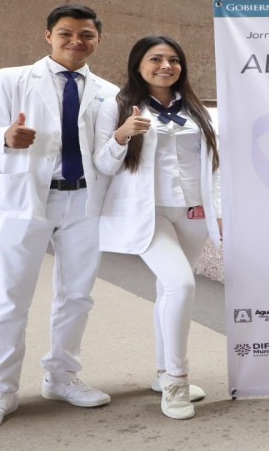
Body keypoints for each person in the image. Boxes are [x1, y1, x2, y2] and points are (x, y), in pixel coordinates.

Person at [0, 4, 118, 433]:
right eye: (66, 33)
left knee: (77, 296)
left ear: (98, 40)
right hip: (26, 199)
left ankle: (62, 376)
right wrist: (5, 136)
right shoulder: (9, 79)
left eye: (86, 35)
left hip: (84, 202)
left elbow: (106, 151)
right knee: (9, 296)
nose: (76, 41)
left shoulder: (109, 92)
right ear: (48, 36)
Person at [93, 35, 221, 420]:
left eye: (174, 60)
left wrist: (217, 210)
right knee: (182, 285)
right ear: (138, 64)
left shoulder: (198, 110)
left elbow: (215, 164)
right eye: (156, 59)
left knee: (169, 289)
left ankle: (163, 372)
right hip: (149, 213)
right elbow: (103, 164)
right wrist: (122, 135)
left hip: (193, 212)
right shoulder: (117, 105)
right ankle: (177, 381)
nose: (166, 66)